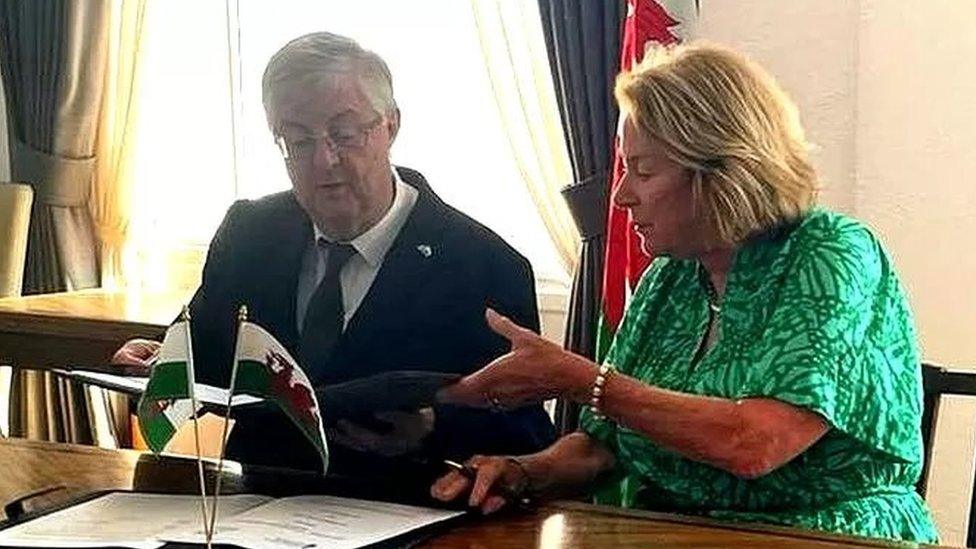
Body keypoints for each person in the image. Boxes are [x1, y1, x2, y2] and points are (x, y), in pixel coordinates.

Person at [431, 42, 938, 543]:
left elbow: (756, 444)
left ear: (723, 169)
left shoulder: (831, 252)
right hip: (675, 532)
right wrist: (519, 472)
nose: (623, 195)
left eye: (644, 171)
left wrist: (582, 380)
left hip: (825, 536)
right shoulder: (669, 278)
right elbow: (601, 448)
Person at [113, 31, 555, 496]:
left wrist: (433, 428)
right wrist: (160, 359)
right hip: (261, 507)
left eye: (344, 135)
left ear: (391, 125)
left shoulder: (484, 264)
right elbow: (206, 347)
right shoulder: (250, 232)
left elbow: (524, 430)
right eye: (299, 142)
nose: (325, 160)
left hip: (414, 512)